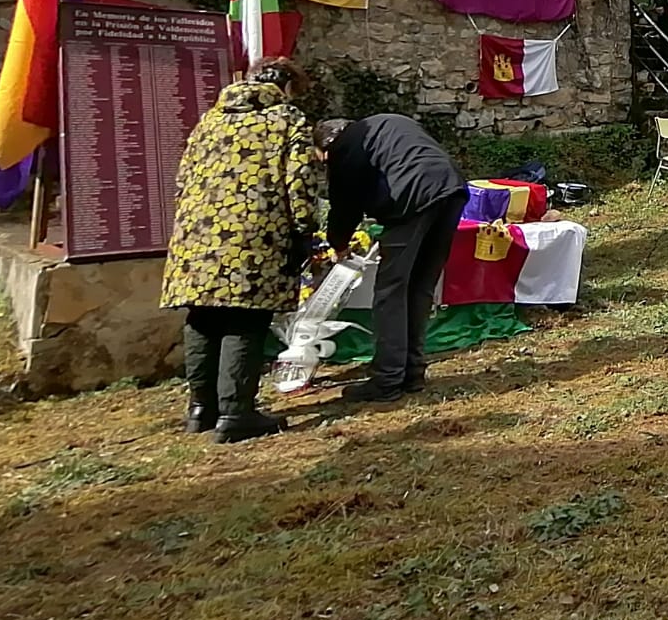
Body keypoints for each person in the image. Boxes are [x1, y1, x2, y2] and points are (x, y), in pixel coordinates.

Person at [159, 60, 323, 443]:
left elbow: (183, 178)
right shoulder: (287, 119)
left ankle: (201, 409)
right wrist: (304, 232)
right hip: (255, 235)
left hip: (196, 232)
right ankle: (236, 413)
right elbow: (299, 180)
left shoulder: (210, 120)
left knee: (201, 316)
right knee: (245, 319)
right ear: (285, 85)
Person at [317, 113, 468, 403]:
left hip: (410, 199)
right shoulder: (388, 123)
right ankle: (411, 372)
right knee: (420, 287)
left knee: (391, 292)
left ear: (327, 147)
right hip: (451, 189)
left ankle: (387, 379)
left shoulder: (345, 147)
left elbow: (343, 206)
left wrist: (338, 245)